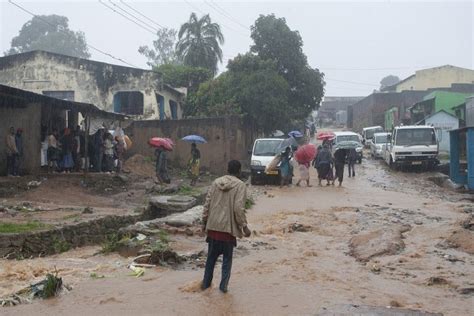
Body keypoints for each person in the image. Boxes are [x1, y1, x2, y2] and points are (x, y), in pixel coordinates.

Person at [201, 160, 251, 293]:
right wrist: (244, 227)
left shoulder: (216, 182)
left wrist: (204, 222)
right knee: (226, 263)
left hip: (213, 229)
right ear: (239, 171)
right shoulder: (240, 186)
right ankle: (223, 290)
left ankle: (205, 286)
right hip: (228, 232)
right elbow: (238, 208)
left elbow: (207, 205)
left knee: (210, 260)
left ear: (227, 169)